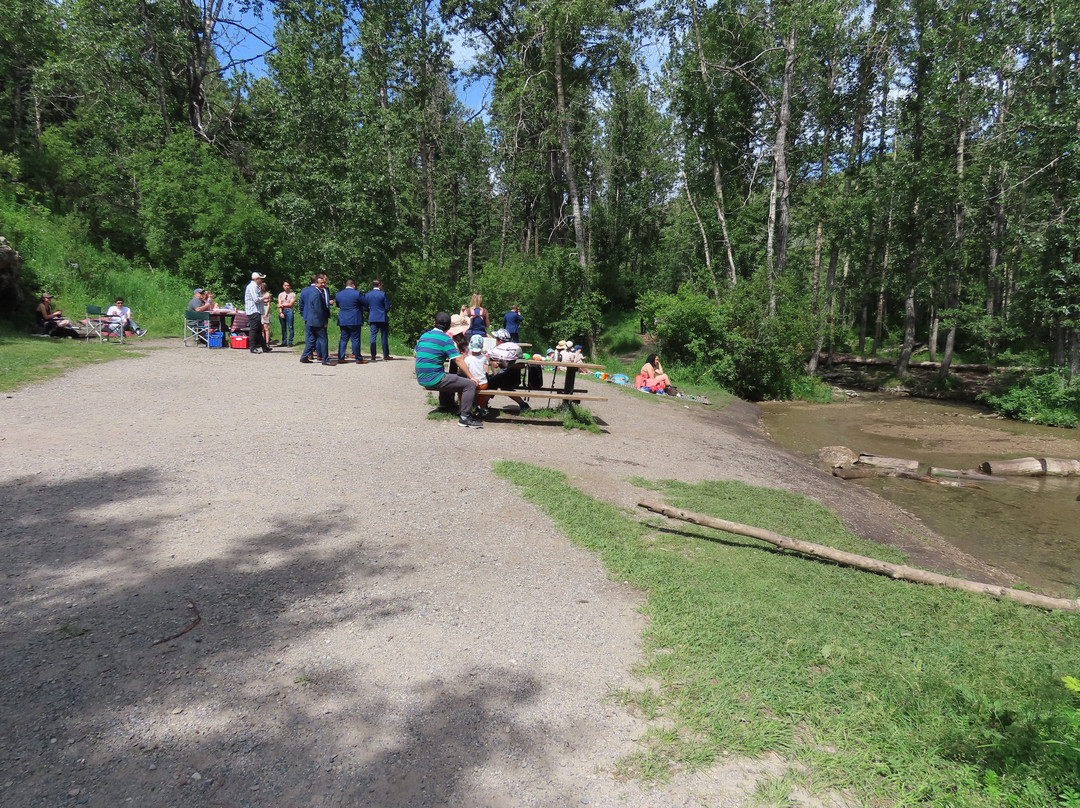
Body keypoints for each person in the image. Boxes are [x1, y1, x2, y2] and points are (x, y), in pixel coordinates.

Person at [414, 311, 483, 428]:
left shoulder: (424, 336)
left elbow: (415, 354)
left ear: (434, 323)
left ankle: (446, 405)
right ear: (449, 326)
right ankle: (465, 417)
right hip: (434, 379)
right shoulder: (445, 339)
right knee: (469, 385)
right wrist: (472, 377)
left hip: (421, 377)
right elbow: (458, 360)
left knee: (449, 376)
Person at [486, 328, 530, 412]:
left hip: (512, 377)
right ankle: (523, 405)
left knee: (493, 383)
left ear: (501, 341)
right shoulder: (511, 349)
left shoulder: (509, 350)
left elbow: (521, 365)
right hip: (509, 377)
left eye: (497, 340)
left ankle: (483, 404)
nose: (496, 342)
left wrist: (504, 365)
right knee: (494, 382)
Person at [299, 273, 332, 365]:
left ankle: (304, 357)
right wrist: (324, 322)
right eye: (321, 283)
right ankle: (325, 359)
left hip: (311, 320)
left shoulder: (315, 292)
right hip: (317, 321)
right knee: (323, 339)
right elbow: (318, 310)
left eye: (324, 283)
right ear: (316, 283)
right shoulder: (317, 293)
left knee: (312, 339)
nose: (323, 285)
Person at [335, 278, 366, 363]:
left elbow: (338, 305)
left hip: (343, 319)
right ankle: (358, 358)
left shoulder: (339, 294)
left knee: (343, 339)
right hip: (354, 319)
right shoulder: (357, 293)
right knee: (355, 339)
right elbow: (365, 302)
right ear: (353, 285)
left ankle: (341, 357)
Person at [464, 334, 494, 416]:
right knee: (481, 397)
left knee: (463, 392)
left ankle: (465, 408)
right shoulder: (484, 358)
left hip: (471, 383)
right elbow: (486, 371)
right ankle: (483, 409)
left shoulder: (467, 359)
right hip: (483, 383)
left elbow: (464, 370)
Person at [244, 272, 271, 354]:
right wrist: (264, 297)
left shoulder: (256, 287)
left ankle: (264, 347)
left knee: (259, 330)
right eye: (261, 278)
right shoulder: (252, 287)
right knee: (254, 330)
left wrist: (263, 300)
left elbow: (258, 299)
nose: (262, 280)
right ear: (256, 279)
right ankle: (252, 347)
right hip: (253, 311)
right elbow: (255, 299)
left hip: (257, 310)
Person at [366, 278, 391, 361]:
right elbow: (387, 307)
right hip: (382, 317)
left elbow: (365, 306)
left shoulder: (368, 295)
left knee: (373, 336)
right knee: (384, 337)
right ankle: (385, 355)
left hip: (372, 317)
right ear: (379, 285)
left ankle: (373, 355)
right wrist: (383, 312)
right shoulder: (382, 294)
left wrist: (370, 311)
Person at [277, 281, 296, 347]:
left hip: (289, 311)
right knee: (283, 327)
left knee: (290, 327)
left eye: (288, 285)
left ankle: (290, 342)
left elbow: (291, 304)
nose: (287, 287)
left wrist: (282, 304)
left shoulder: (292, 294)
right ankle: (284, 342)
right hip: (282, 311)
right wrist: (280, 312)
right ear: (283, 286)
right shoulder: (281, 294)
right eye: (285, 285)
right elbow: (279, 304)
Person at [260, 281, 272, 347]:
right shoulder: (258, 294)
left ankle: (267, 342)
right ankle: (263, 341)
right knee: (261, 327)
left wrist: (266, 314)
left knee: (266, 327)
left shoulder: (267, 294)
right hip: (260, 309)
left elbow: (268, 305)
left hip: (265, 309)